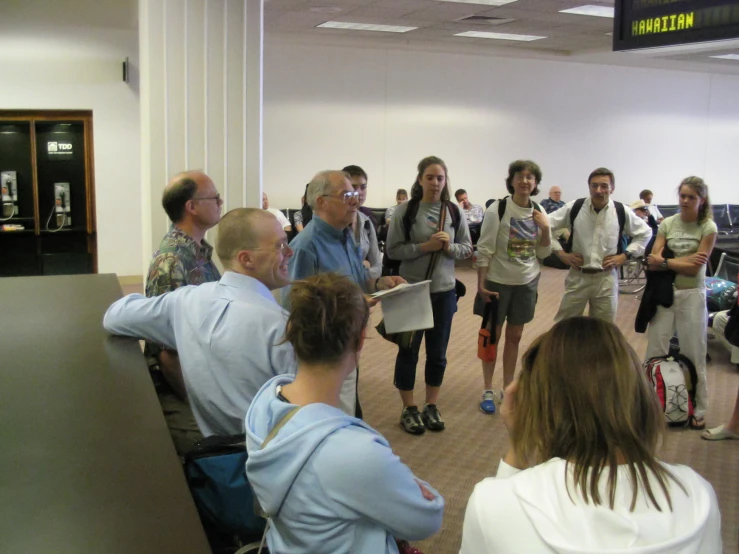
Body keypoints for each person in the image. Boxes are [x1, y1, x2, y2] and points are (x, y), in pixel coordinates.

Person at [460, 316, 722, 554]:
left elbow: (497, 523)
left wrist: (518, 446)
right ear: (641, 396)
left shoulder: (493, 502)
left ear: (534, 403)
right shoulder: (698, 495)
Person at [246, 273, 444, 553]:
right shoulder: (356, 452)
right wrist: (407, 482)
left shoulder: (264, 405)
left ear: (292, 330)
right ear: (361, 339)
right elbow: (428, 517)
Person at [104, 208, 297, 437]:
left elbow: (115, 316)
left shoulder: (186, 301)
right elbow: (304, 419)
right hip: (270, 455)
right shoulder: (283, 328)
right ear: (246, 259)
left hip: (215, 453)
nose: (290, 252)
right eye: (280, 245)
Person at [284, 170, 405, 417]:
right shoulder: (306, 247)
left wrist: (380, 283)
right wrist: (351, 302)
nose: (356, 200)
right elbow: (294, 309)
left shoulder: (345, 236)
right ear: (321, 202)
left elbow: (359, 280)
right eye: (347, 194)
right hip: (322, 355)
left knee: (347, 409)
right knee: (329, 417)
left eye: (356, 193)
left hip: (346, 344)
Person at [387, 156, 473, 435]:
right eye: (430, 177)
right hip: (411, 290)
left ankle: (431, 405)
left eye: (440, 178)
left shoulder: (454, 211)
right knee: (408, 350)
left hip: (444, 292)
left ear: (446, 181)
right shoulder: (406, 211)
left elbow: (467, 249)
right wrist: (425, 246)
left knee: (438, 354)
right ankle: (409, 408)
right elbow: (393, 250)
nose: (435, 183)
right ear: (420, 179)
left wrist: (449, 249)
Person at [144, 170, 223, 453]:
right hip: (181, 389)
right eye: (214, 197)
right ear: (192, 207)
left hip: (205, 378)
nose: (220, 201)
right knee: (216, 450)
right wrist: (202, 405)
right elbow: (167, 352)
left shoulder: (198, 252)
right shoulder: (172, 262)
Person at [474, 160, 551, 415]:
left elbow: (544, 251)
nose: (525, 181)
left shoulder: (539, 210)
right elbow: (484, 247)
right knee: (491, 337)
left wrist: (546, 229)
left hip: (526, 282)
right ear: (512, 180)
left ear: (536, 183)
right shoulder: (499, 208)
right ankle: (487, 388)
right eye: (520, 176)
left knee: (515, 338)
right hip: (498, 282)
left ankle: (508, 388)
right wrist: (481, 284)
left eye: (530, 177)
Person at [645, 177, 717, 430]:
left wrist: (667, 261)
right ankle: (651, 405)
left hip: (692, 296)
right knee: (655, 349)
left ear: (702, 200)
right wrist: (680, 261)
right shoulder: (668, 223)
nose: (685, 201)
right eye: (683, 196)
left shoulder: (708, 227)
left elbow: (696, 266)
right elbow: (654, 256)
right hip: (665, 294)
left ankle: (699, 407)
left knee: (693, 352)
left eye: (691, 197)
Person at [548, 168, 651, 323]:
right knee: (564, 325)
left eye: (604, 186)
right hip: (578, 276)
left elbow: (645, 233)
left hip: (606, 278)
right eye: (594, 186)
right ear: (589, 187)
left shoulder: (621, 211)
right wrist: (561, 253)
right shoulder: (574, 207)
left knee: (604, 328)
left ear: (612, 188)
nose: (598, 190)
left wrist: (625, 255)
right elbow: (545, 225)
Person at [343, 165, 379, 233]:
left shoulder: (368, 215)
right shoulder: (334, 217)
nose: (359, 192)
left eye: (363, 187)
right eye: (353, 187)